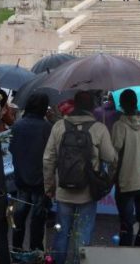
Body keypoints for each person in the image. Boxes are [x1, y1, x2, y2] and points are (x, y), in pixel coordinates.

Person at [43, 90, 117, 264]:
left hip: (63, 192)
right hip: (88, 192)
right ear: (92, 107)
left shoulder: (59, 126)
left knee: (61, 233)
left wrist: (50, 187)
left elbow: (48, 159)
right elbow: (110, 158)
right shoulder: (99, 128)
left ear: (74, 105)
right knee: (83, 234)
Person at [111, 89, 140, 246]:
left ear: (121, 105)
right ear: (136, 103)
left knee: (126, 221)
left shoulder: (119, 126)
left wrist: (111, 175)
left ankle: (126, 253)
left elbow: (114, 156)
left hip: (125, 181)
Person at [10, 93, 53, 251]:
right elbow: (51, 154)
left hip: (21, 179)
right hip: (40, 180)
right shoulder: (47, 127)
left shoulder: (18, 125)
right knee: (37, 219)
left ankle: (16, 249)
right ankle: (36, 252)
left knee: (19, 218)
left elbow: (11, 149)